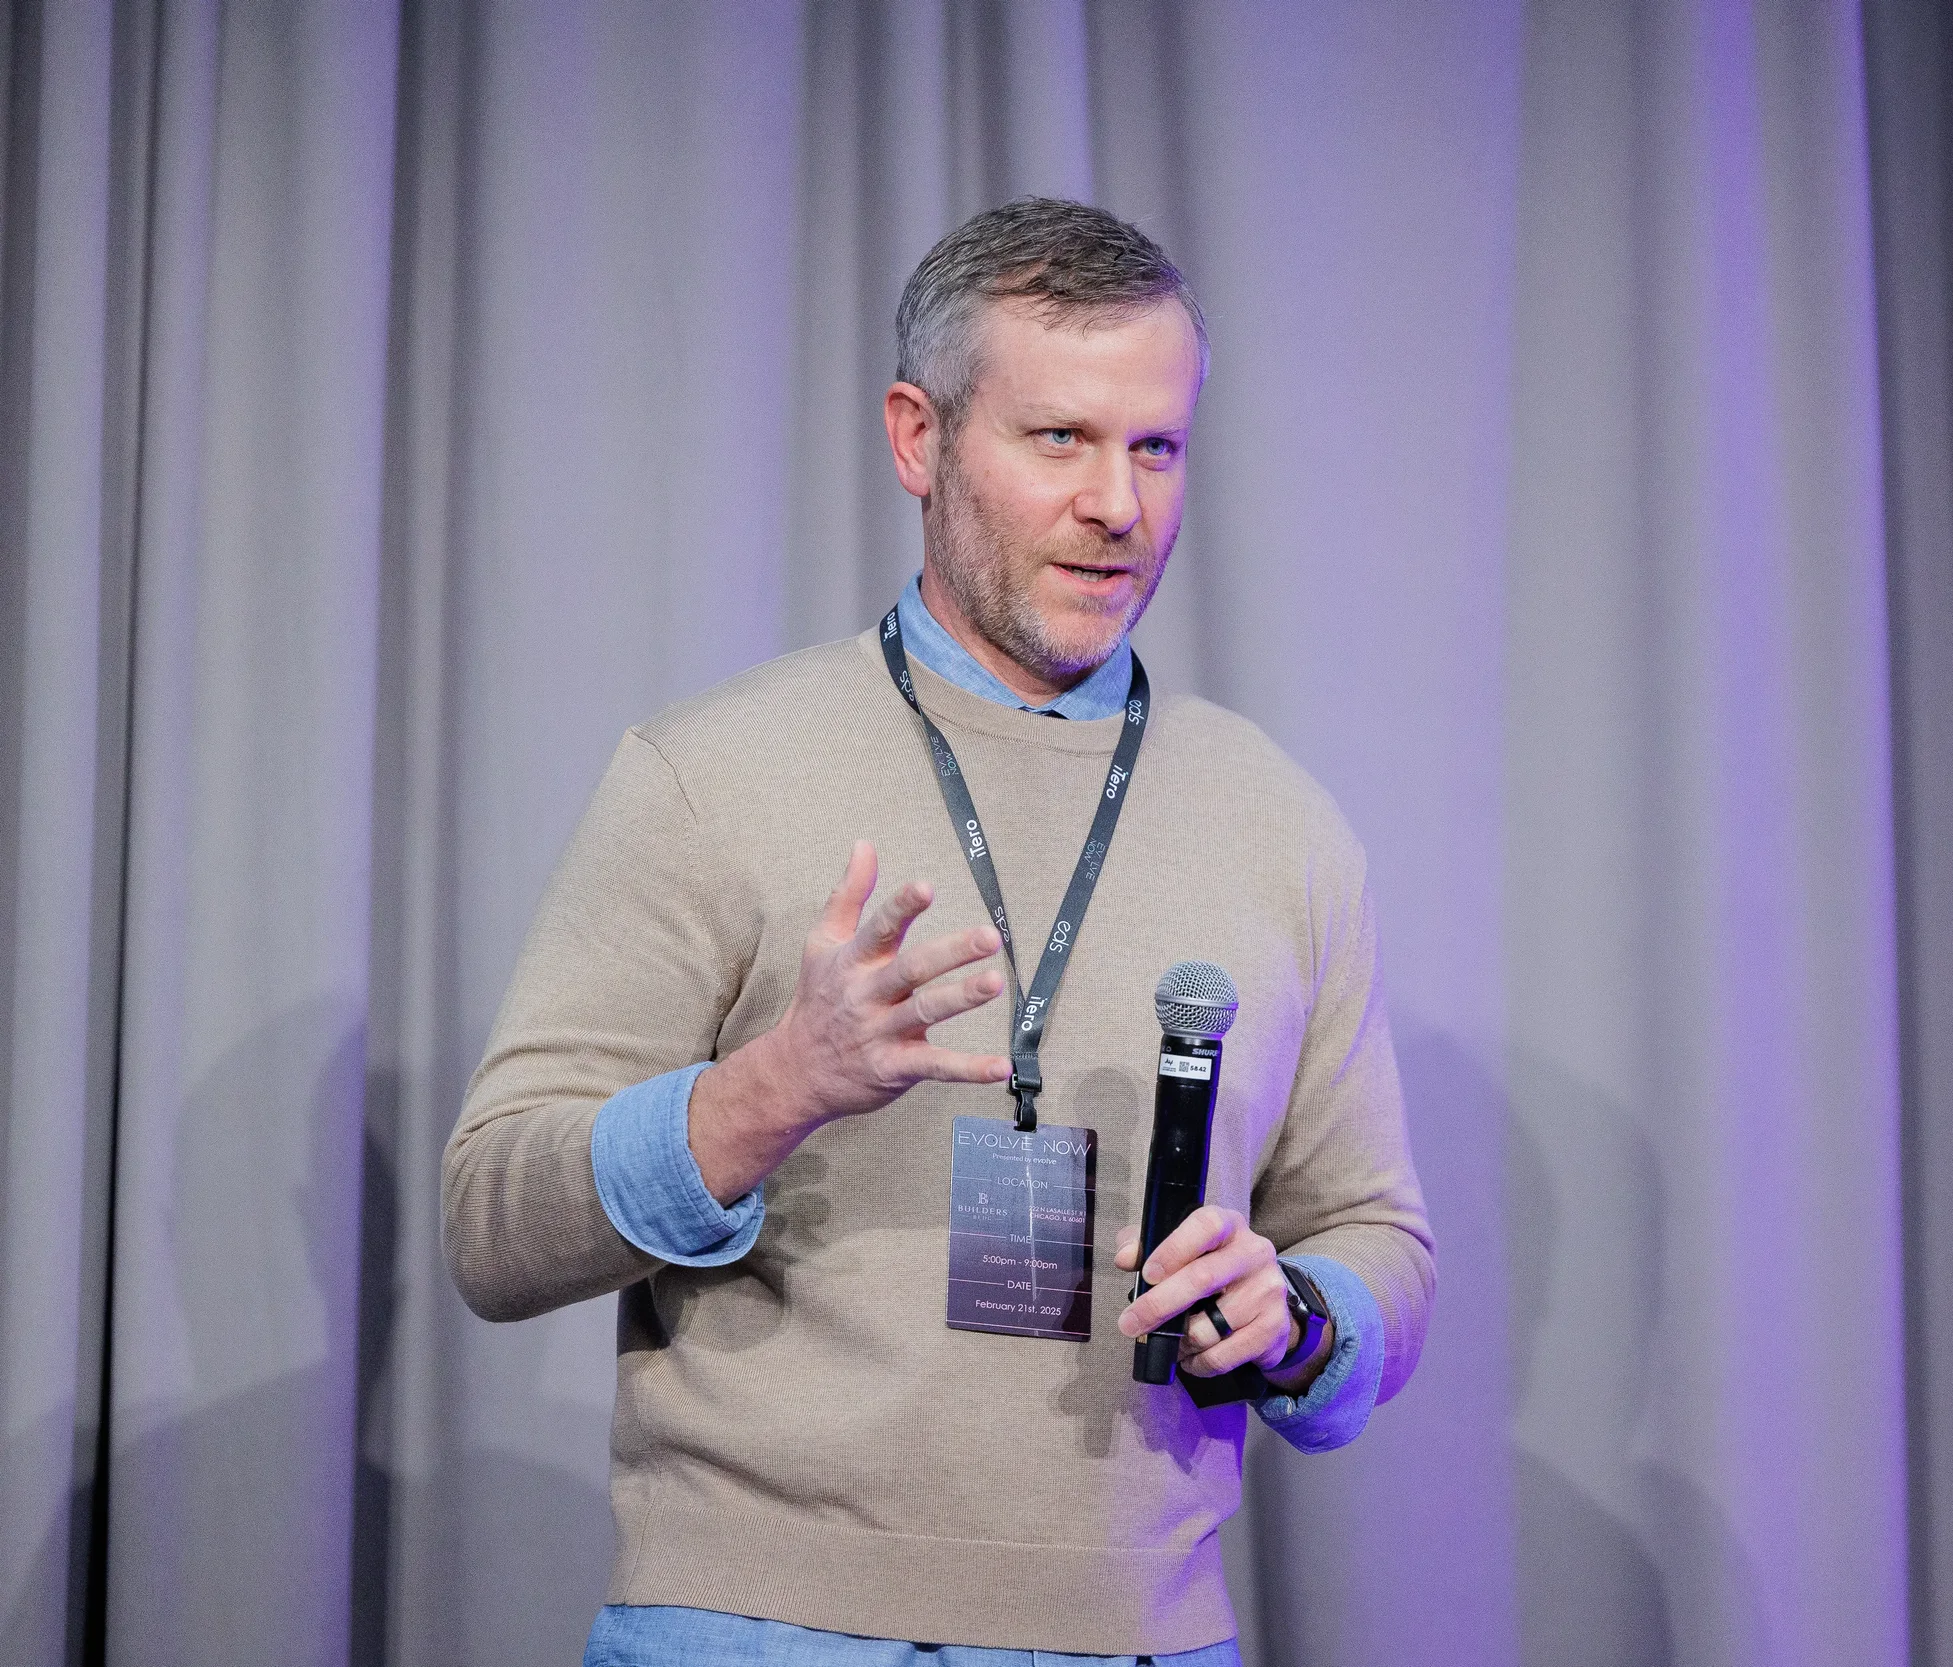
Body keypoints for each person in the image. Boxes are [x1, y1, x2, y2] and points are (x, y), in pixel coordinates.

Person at [443, 198, 1434, 1666]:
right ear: (918, 437)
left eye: (1155, 447)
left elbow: (1378, 1237)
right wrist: (764, 1092)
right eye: (1060, 440)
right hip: (753, 1632)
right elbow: (490, 1222)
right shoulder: (707, 776)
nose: (1120, 504)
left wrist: (1299, 1310)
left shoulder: (1282, 823)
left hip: (1142, 1640)